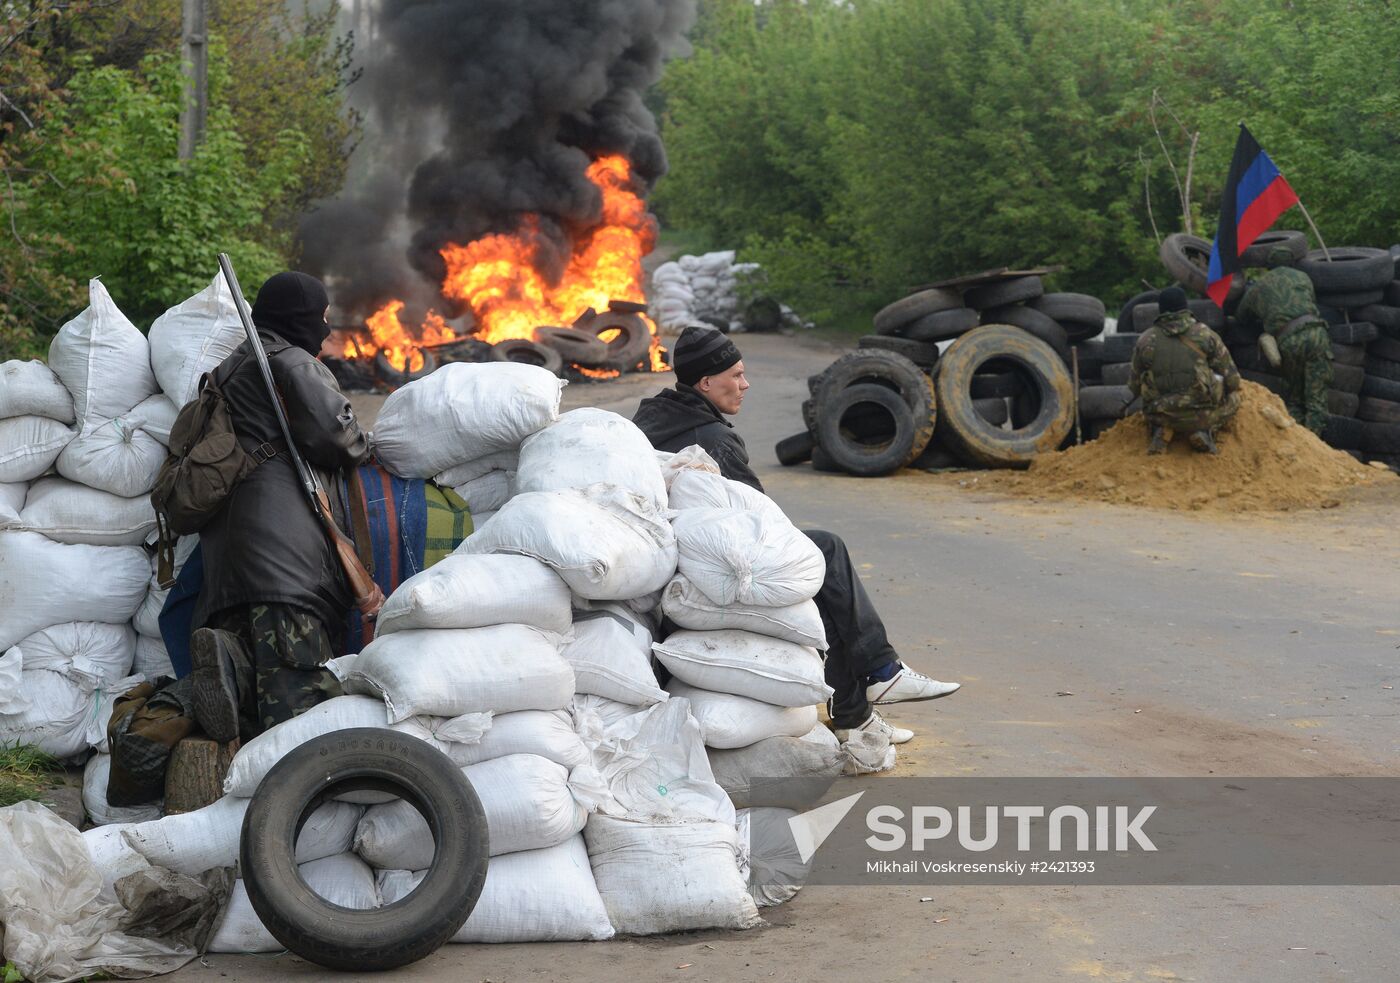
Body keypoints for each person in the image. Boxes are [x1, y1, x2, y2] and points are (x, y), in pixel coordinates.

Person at [632, 324, 959, 746]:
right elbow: (760, 527)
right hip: (710, 567)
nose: (745, 384)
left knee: (820, 586)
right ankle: (877, 679)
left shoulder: (654, 416)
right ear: (706, 381)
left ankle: (861, 708)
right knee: (822, 558)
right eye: (735, 375)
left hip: (670, 559)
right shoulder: (710, 437)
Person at [189, 272, 371, 743]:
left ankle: (225, 662)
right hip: (284, 567)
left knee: (252, 700)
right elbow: (338, 437)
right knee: (300, 711)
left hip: (231, 562)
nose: (327, 330)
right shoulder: (290, 363)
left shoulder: (233, 366)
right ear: (299, 319)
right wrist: (368, 443)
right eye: (321, 319)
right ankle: (296, 807)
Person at [1128, 286, 1242, 455]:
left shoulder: (1145, 339)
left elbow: (1133, 386)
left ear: (1161, 310)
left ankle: (1162, 431)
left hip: (1159, 414)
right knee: (1235, 397)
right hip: (1201, 416)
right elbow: (1232, 379)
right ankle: (1204, 431)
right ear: (1185, 308)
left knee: (1148, 383)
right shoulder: (1205, 335)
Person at [1236, 245, 1333, 435]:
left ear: (1268, 265)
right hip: (1316, 333)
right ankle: (1317, 448)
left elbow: (1241, 317)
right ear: (1292, 263)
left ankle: (1299, 444)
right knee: (1316, 400)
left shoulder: (1258, 287)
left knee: (1296, 398)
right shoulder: (1303, 277)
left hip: (1288, 339)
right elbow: (1310, 301)